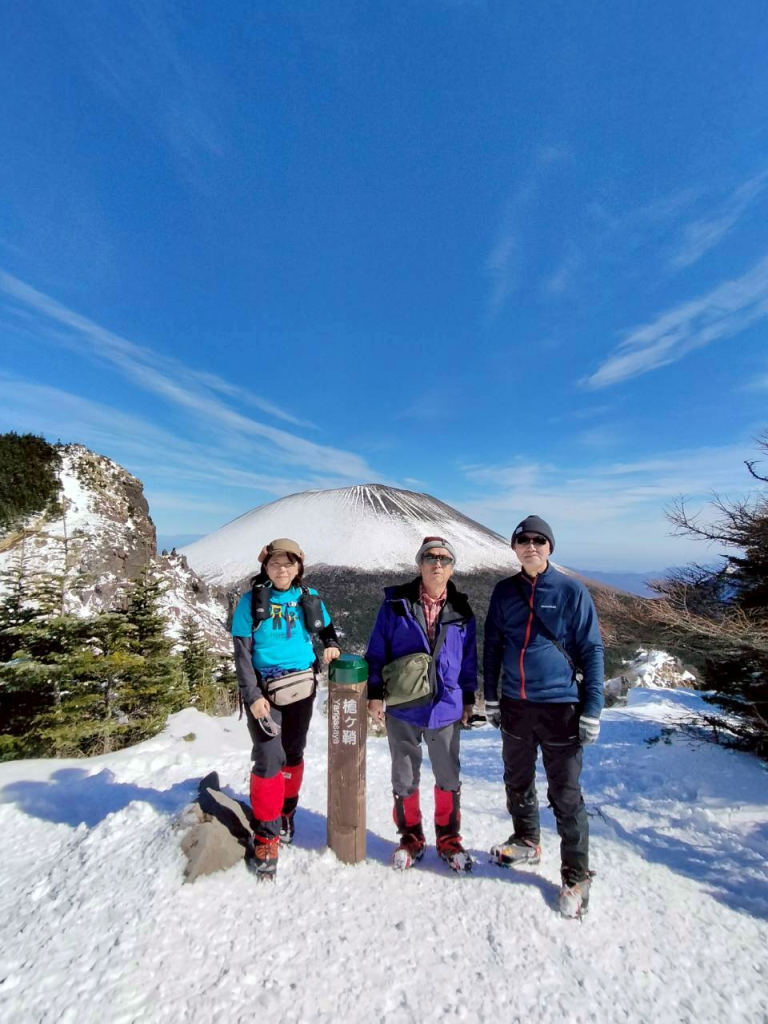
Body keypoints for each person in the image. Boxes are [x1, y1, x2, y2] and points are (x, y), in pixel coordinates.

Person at [483, 515, 604, 918]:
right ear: (515, 548)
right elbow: (493, 646)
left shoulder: (571, 591)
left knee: (565, 793)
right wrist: (491, 696)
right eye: (523, 540)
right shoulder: (504, 592)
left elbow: (591, 649)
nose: (531, 546)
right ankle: (526, 840)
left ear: (549, 547)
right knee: (516, 778)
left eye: (539, 540)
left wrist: (593, 708)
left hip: (561, 708)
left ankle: (576, 874)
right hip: (515, 703)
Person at [366, 536, 478, 871]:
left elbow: (468, 660)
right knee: (404, 775)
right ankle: (410, 838)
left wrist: (469, 698)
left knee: (447, 775)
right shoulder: (395, 605)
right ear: (420, 565)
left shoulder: (462, 612)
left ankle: (449, 839)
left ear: (452, 567)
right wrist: (374, 694)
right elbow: (376, 651)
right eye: (430, 558)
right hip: (403, 704)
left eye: (444, 559)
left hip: (445, 706)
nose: (437, 564)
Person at [231, 538, 341, 880]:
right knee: (268, 758)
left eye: (288, 563)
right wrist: (252, 696)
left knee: (293, 753)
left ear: (298, 568)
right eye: (275, 563)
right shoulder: (250, 602)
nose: (282, 569)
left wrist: (332, 646)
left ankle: (286, 812)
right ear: (265, 566)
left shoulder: (308, 599)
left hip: (303, 687)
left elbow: (327, 630)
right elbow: (242, 653)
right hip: (265, 692)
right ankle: (267, 833)